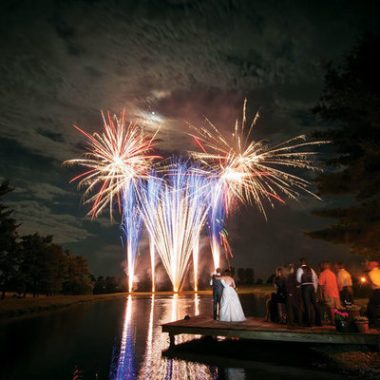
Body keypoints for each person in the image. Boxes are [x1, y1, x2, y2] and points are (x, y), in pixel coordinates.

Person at [296, 258, 322, 326]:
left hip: (305, 287)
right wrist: (315, 289)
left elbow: (298, 280)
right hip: (312, 286)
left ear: (300, 262)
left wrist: (298, 287)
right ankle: (319, 321)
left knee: (307, 305)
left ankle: (309, 322)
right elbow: (315, 279)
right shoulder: (311, 269)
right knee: (315, 304)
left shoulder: (300, 269)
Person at [367, 261, 380, 326]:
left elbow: (374, 282)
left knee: (372, 306)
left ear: (373, 266)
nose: (368, 266)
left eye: (369, 265)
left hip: (377, 291)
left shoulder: (371, 273)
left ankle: (373, 322)